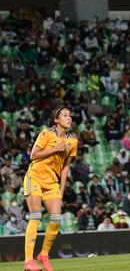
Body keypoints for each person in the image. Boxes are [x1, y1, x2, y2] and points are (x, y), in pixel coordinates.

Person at [23, 106, 78, 271]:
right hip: (35, 177)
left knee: (56, 220)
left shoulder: (73, 140)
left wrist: (61, 190)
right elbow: (33, 156)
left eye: (69, 115)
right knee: (36, 216)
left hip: (52, 182)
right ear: (56, 120)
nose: (69, 118)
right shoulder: (46, 134)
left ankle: (43, 255)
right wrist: (55, 148)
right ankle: (28, 261)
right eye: (64, 115)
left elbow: (66, 166)